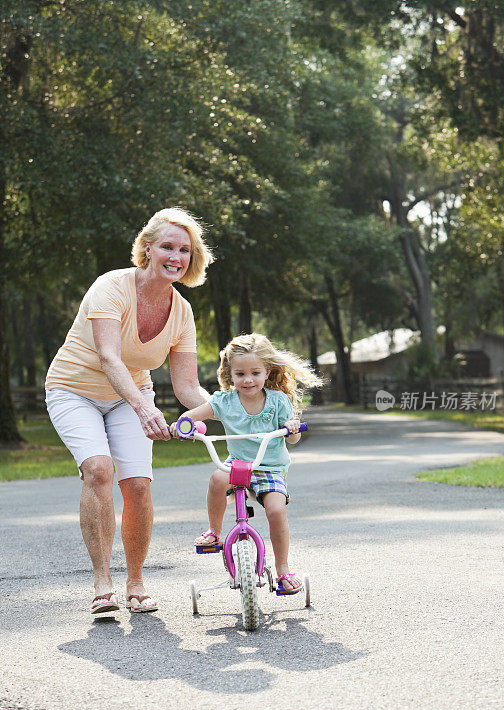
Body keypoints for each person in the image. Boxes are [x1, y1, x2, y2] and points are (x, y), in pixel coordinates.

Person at [45, 207, 213, 614]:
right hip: (74, 391)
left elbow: (187, 387)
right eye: (167, 247)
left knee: (137, 485)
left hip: (129, 396)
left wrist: (231, 410)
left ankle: (136, 582)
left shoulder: (182, 312)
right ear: (147, 249)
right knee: (99, 469)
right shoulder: (112, 287)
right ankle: (103, 584)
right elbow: (108, 356)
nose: (176, 257)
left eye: (185, 250)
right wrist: (146, 410)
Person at [170, 333, 322, 594]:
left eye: (255, 372)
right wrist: (182, 426)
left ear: (267, 372)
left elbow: (294, 439)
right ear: (230, 373)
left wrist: (291, 428)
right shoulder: (224, 402)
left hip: (270, 468)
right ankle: (214, 532)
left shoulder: (277, 401)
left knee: (276, 511)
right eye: (240, 374)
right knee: (218, 478)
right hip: (238, 465)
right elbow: (191, 416)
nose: (248, 379)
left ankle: (283, 569)